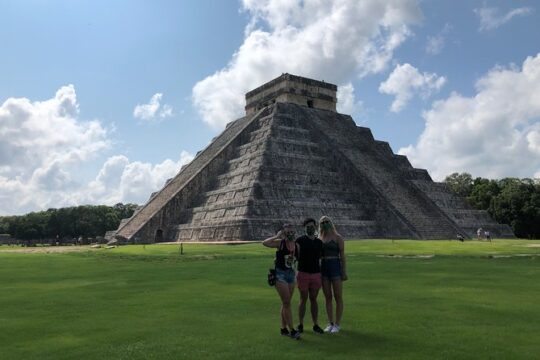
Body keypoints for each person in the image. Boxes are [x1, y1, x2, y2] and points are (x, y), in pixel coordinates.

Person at [262, 224, 301, 340]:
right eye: (288, 232)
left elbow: (298, 261)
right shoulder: (280, 243)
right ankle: (292, 330)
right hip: (280, 275)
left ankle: (283, 328)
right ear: (284, 233)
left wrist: (297, 273)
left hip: (291, 275)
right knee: (287, 302)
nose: (290, 234)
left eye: (292, 232)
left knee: (285, 303)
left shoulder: (297, 246)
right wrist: (276, 236)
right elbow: (265, 243)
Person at [295, 218, 324, 334]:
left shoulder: (319, 242)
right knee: (303, 299)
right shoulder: (300, 240)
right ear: (304, 228)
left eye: (312, 226)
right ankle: (300, 324)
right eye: (307, 227)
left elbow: (321, 257)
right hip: (303, 273)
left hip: (316, 273)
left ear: (315, 227)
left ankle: (315, 324)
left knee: (313, 299)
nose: (310, 228)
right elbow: (294, 255)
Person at [319, 216, 347, 333]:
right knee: (328, 297)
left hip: (335, 267)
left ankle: (337, 324)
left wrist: (344, 271)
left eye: (327, 222)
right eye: (323, 222)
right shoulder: (319, 238)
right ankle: (330, 322)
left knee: (338, 296)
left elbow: (342, 256)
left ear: (331, 223)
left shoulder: (338, 237)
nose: (325, 224)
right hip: (324, 268)